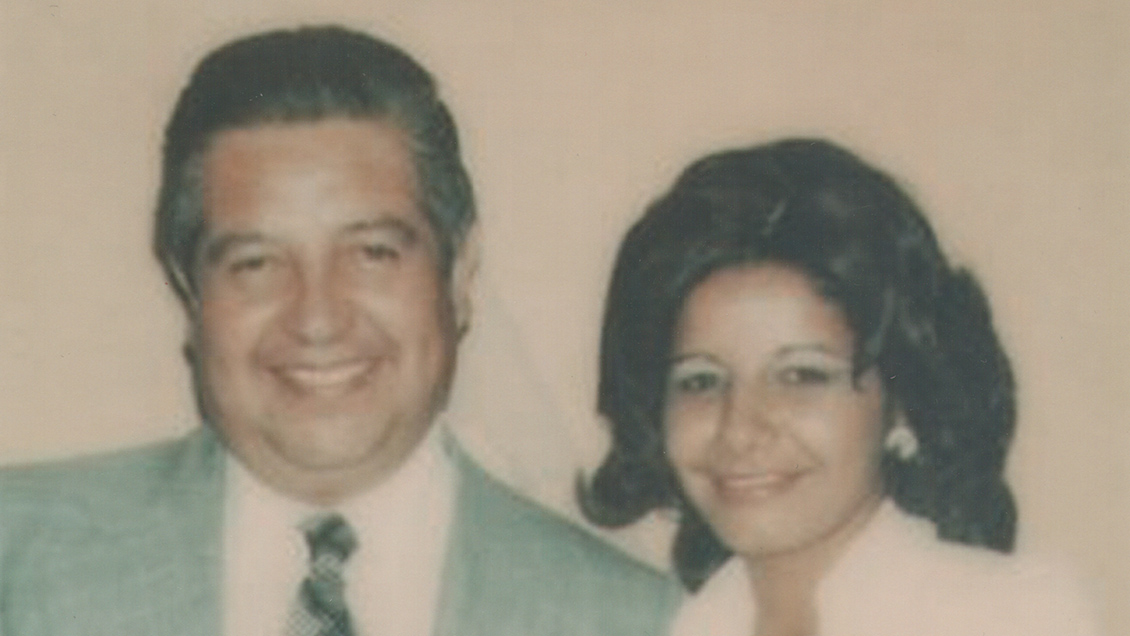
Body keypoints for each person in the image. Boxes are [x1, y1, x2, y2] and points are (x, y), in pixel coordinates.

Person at [0, 25, 679, 636]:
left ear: (459, 275)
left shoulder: (632, 621)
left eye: (372, 253)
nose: (317, 319)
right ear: (190, 291)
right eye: (255, 263)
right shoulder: (19, 564)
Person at [581, 139, 1100, 636]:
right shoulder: (687, 625)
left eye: (800, 375)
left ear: (902, 405)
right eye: (701, 381)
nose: (739, 429)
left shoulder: (1008, 617)